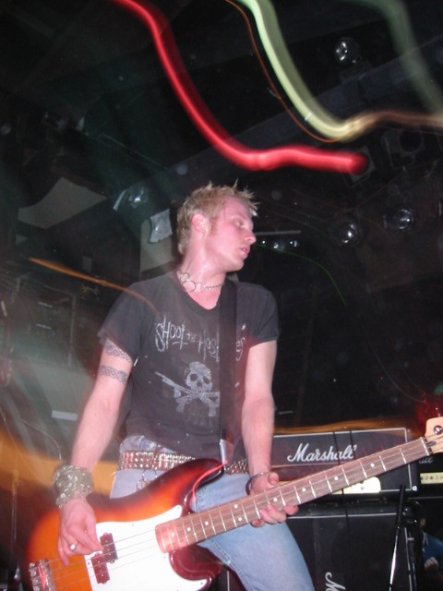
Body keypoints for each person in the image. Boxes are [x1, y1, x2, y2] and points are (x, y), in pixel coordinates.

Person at [54, 182, 314, 591]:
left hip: (229, 481)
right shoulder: (143, 299)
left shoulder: (256, 304)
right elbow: (105, 399)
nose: (252, 237)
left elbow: (258, 400)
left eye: (252, 228)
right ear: (200, 223)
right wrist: (74, 494)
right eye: (239, 224)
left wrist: (260, 478)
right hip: (146, 475)